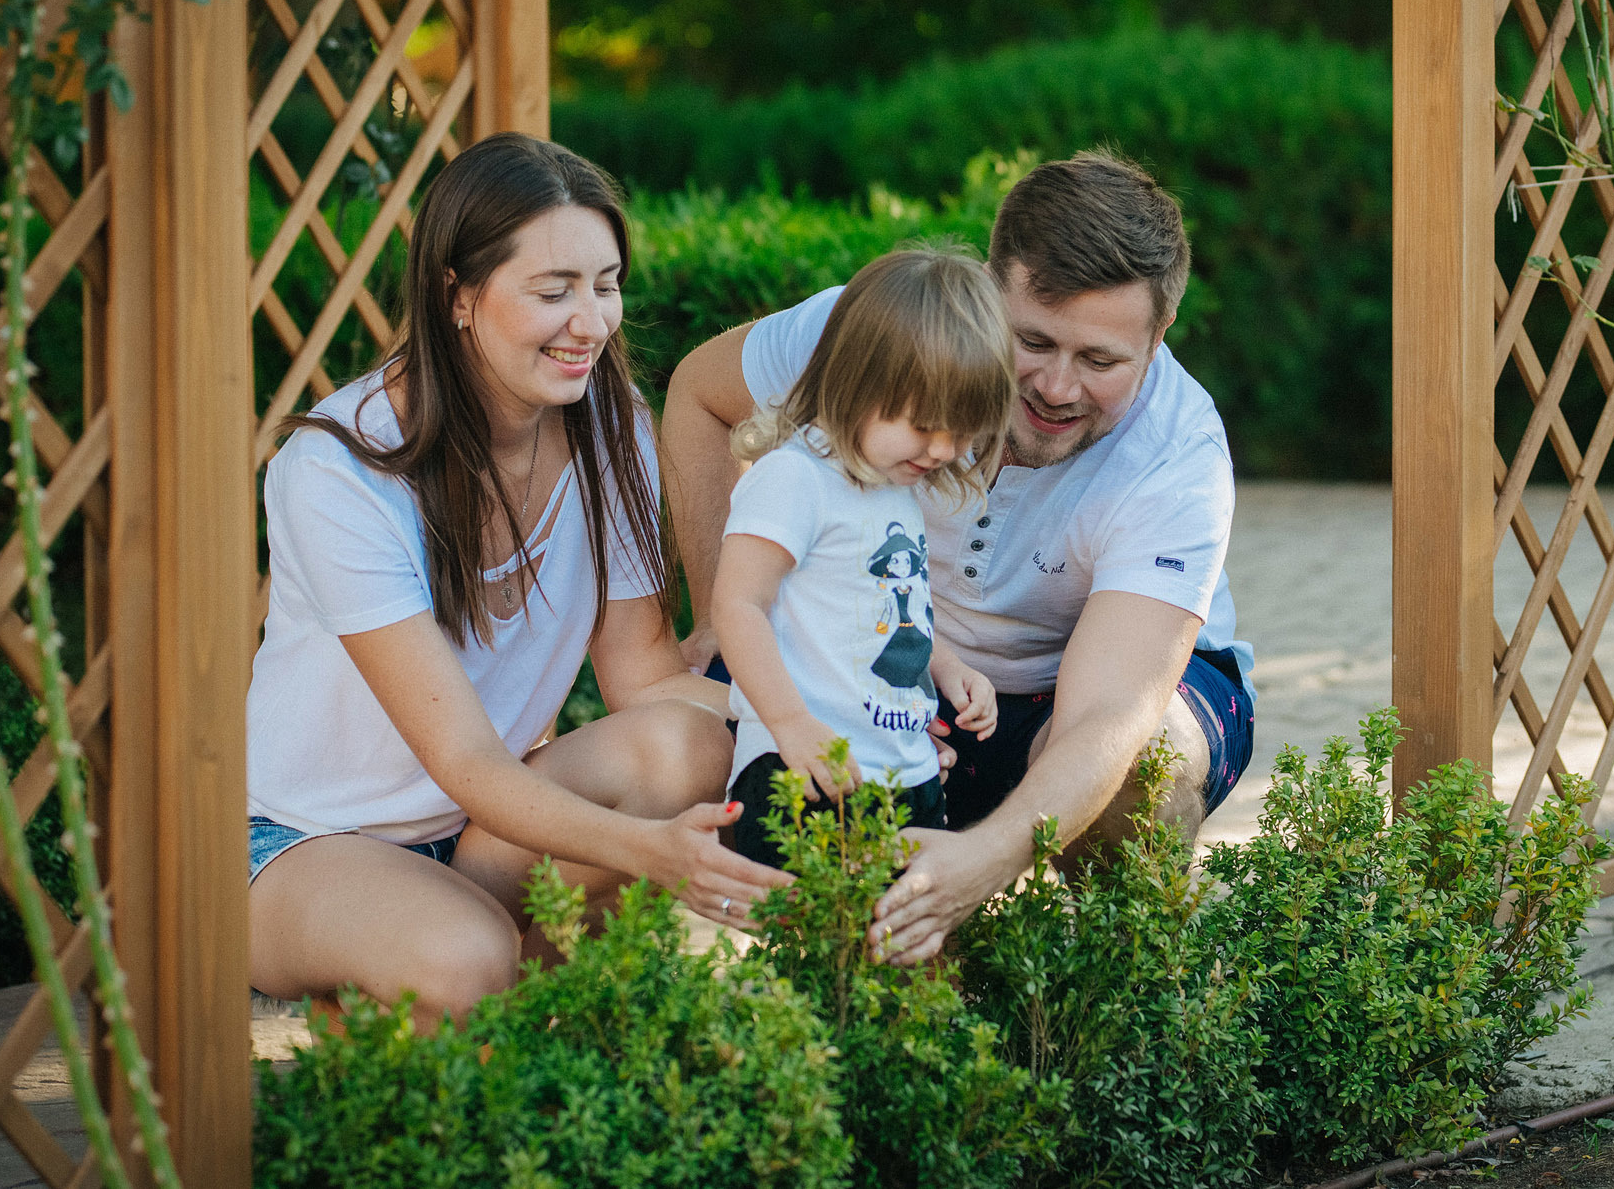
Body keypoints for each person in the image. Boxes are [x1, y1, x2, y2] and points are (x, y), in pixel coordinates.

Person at [246, 133, 789, 1027]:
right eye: (553, 292)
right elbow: (462, 758)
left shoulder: (607, 424)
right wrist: (649, 851)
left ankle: (426, 1010)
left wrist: (820, 726)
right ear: (458, 297)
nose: (592, 323)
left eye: (606, 285)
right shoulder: (339, 471)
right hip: (306, 842)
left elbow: (645, 677)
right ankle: (432, 987)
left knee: (693, 747)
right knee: (467, 958)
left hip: (481, 833)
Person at [664, 151, 1254, 965]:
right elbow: (699, 394)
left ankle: (1117, 1028)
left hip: (1072, 694)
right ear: (986, 284)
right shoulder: (873, 340)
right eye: (1033, 341)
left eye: (1100, 361)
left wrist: (990, 858)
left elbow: (1104, 717)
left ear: (1159, 338)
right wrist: (720, 614)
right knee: (654, 745)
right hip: (894, 664)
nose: (1054, 386)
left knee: (1143, 773)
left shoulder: (1178, 456)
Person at [711, 249, 1012, 869]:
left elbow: (882, 610)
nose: (943, 449)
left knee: (906, 950)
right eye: (926, 425)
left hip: (903, 774)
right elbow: (737, 606)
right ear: (856, 381)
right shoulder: (795, 478)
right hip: (804, 771)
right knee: (823, 950)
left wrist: (947, 667)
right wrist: (790, 725)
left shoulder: (892, 485)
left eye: (962, 432)